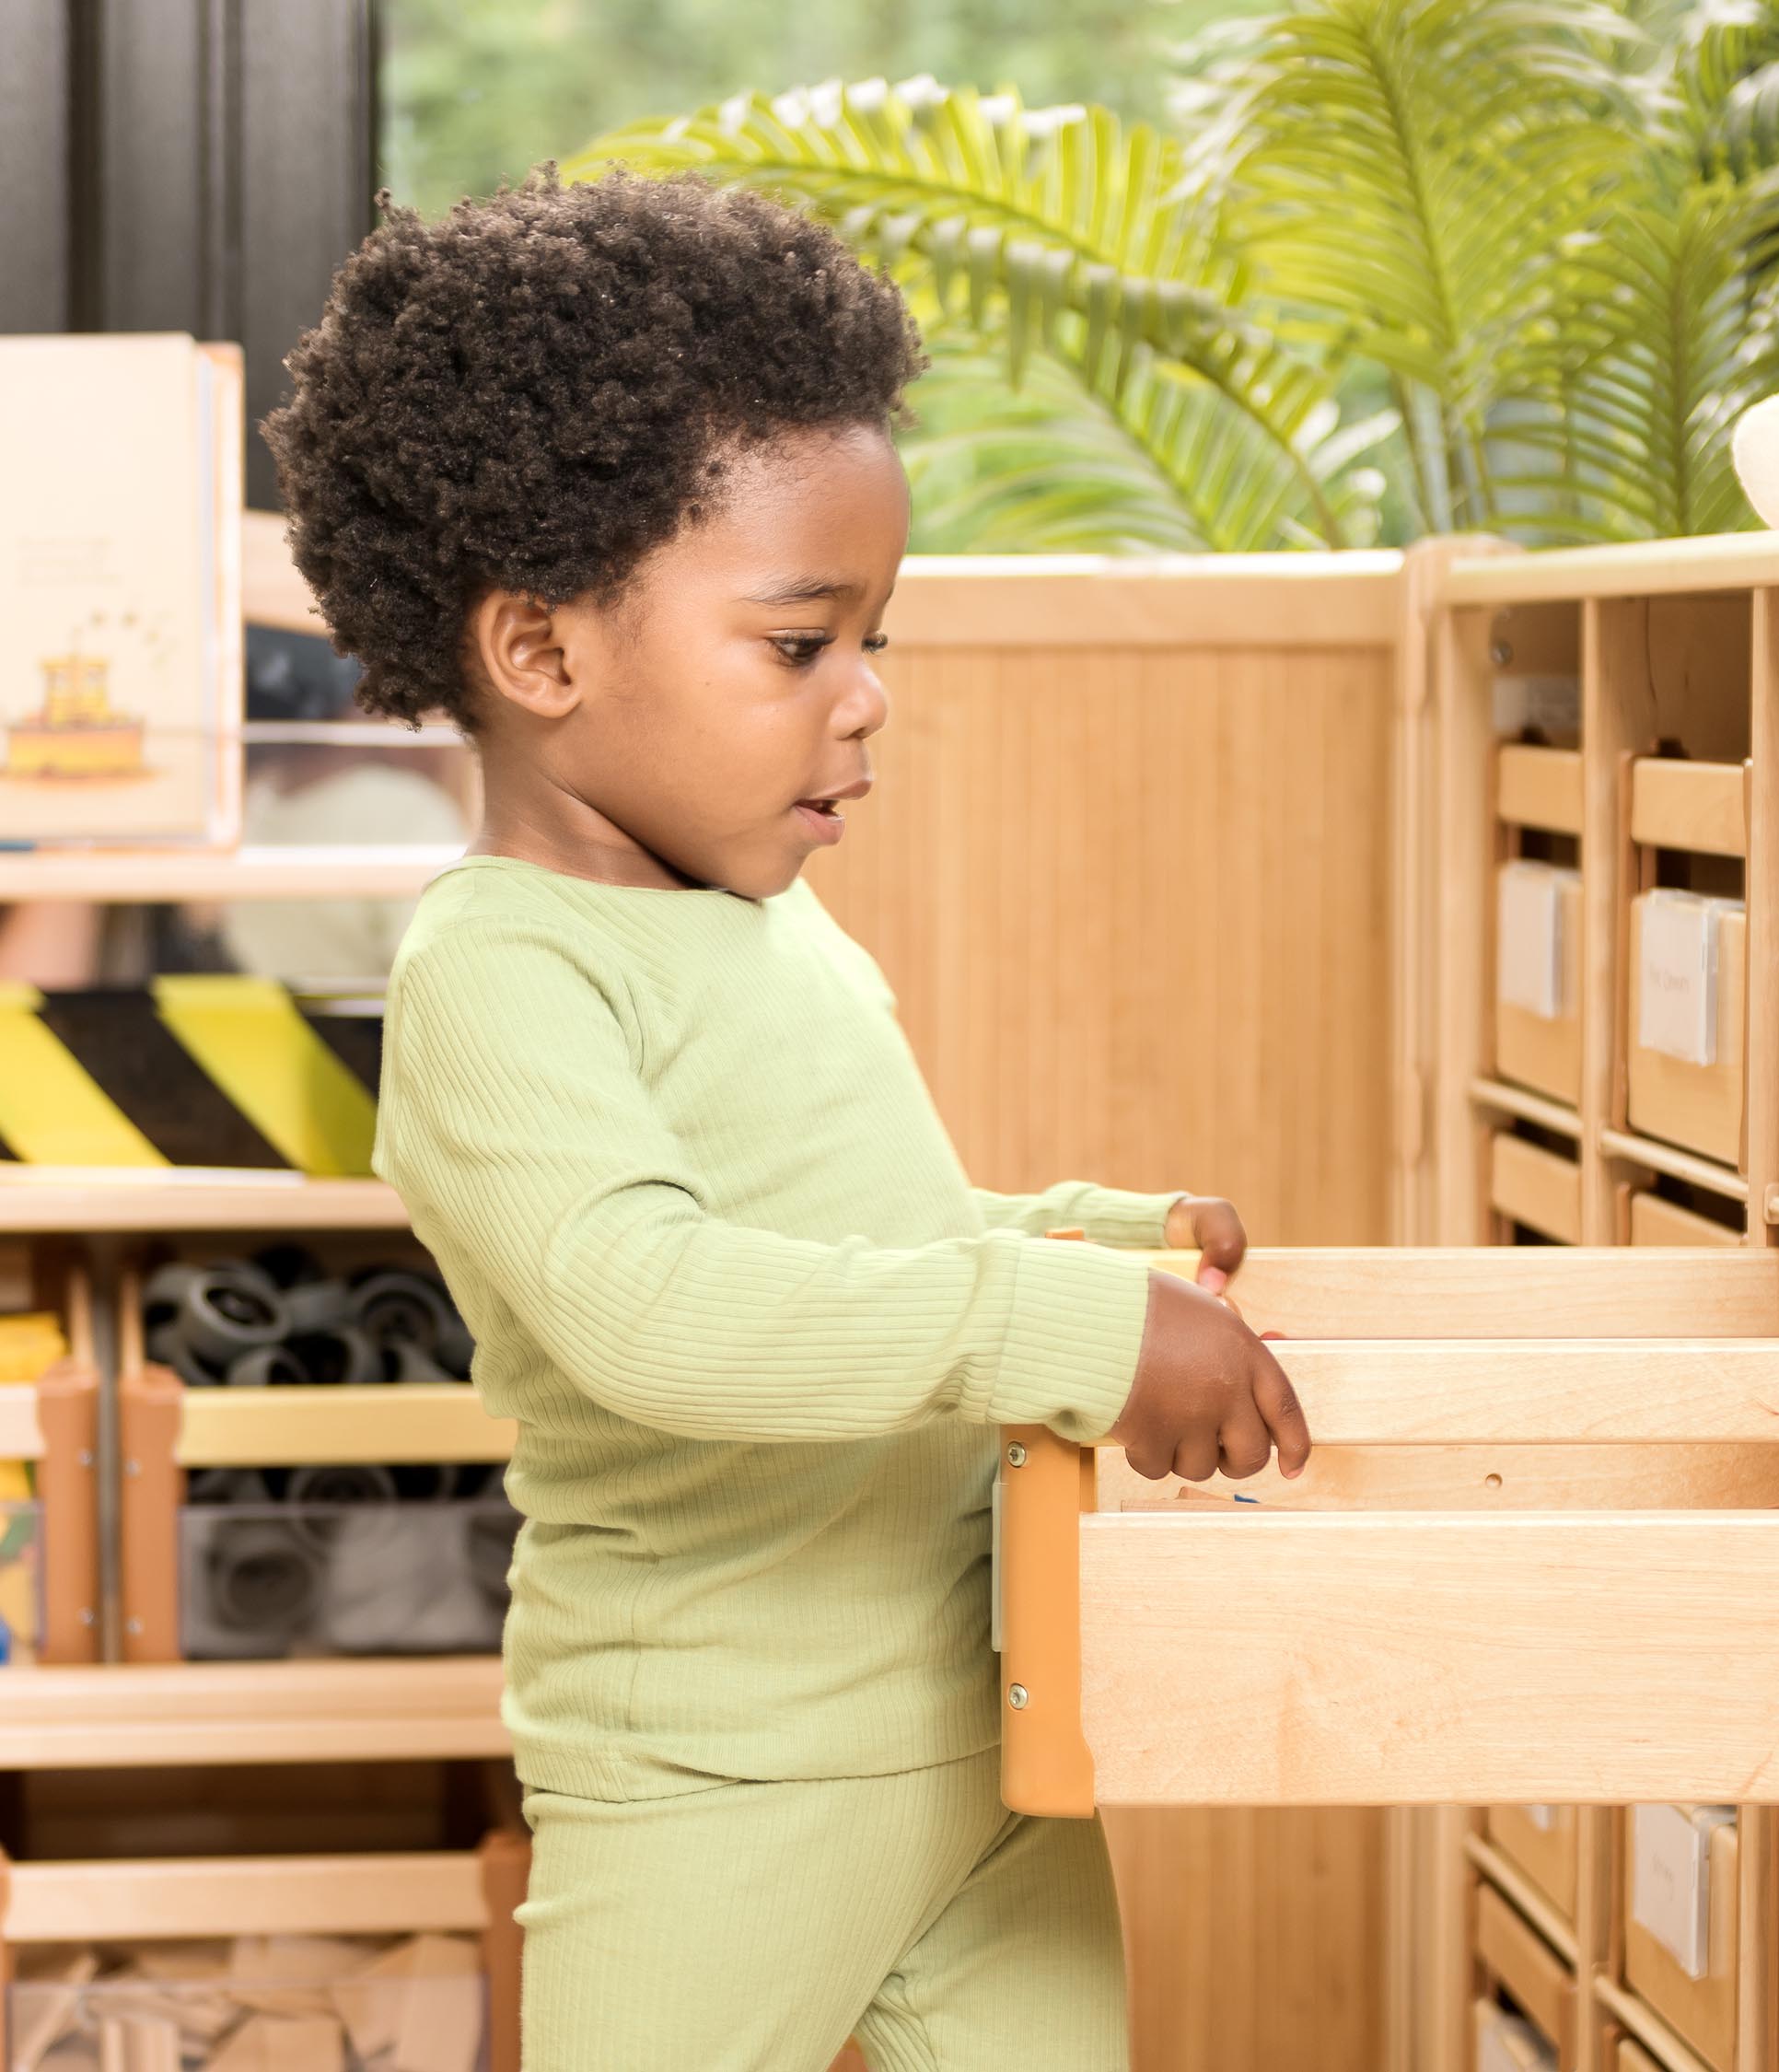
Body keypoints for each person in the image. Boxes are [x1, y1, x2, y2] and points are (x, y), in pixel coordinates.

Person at [263, 166, 1310, 2072]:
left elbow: (850, 1236)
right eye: (799, 643)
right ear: (543, 652)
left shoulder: (760, 913)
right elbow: (661, 1307)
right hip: (721, 1775)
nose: (869, 701)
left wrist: (1075, 1235)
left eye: (875, 639)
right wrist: (1060, 1325)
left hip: (988, 1717)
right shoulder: (500, 973)